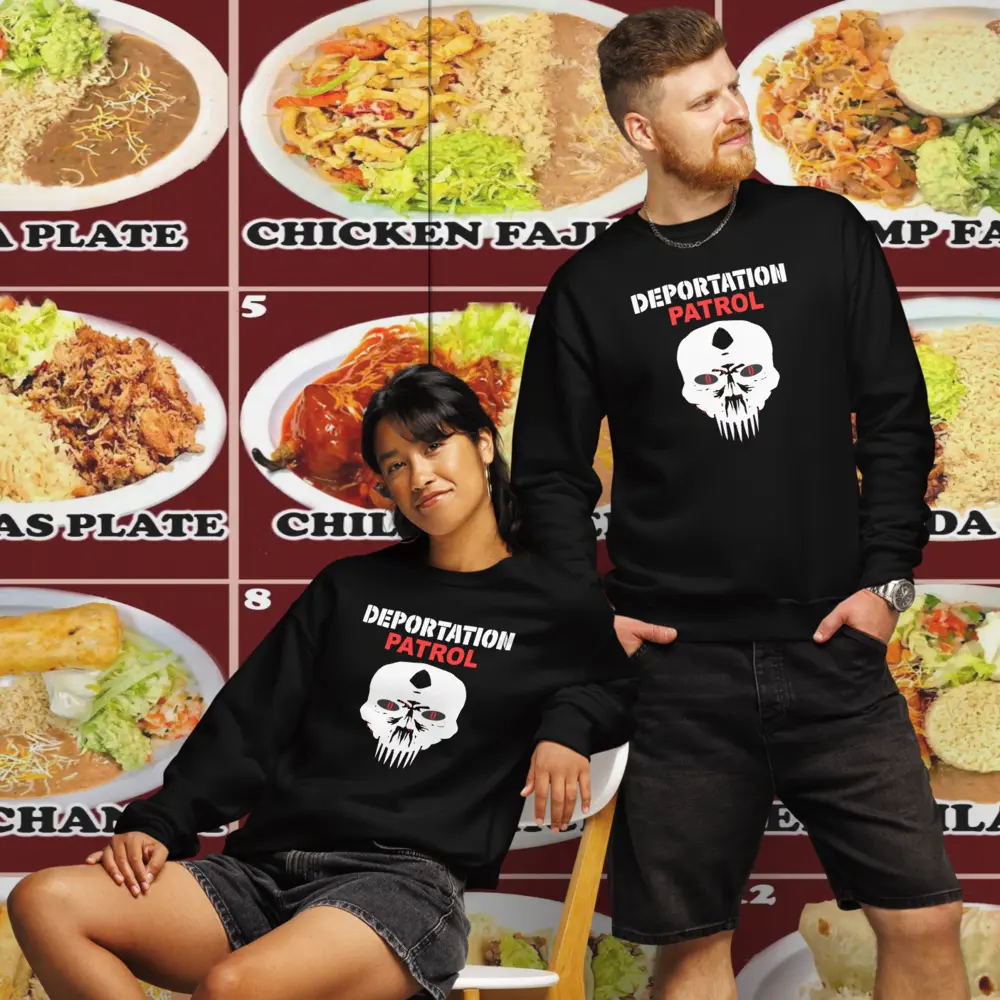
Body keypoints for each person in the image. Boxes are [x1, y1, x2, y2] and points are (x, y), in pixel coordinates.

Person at [510, 8, 965, 1000]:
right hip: (677, 679)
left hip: (832, 657)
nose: (734, 109)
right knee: (690, 951)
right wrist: (588, 617)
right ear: (641, 132)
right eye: (704, 99)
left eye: (729, 85)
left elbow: (893, 417)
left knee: (927, 924)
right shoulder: (590, 286)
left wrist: (885, 579)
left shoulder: (822, 230)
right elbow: (546, 477)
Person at [10, 364, 635, 1000]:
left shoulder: (550, 598)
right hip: (263, 874)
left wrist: (569, 726)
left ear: (481, 444)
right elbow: (251, 719)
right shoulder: (351, 587)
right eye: (394, 465)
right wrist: (160, 823)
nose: (418, 477)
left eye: (433, 446)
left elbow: (620, 683)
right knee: (45, 901)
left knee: (235, 988)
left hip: (403, 889)